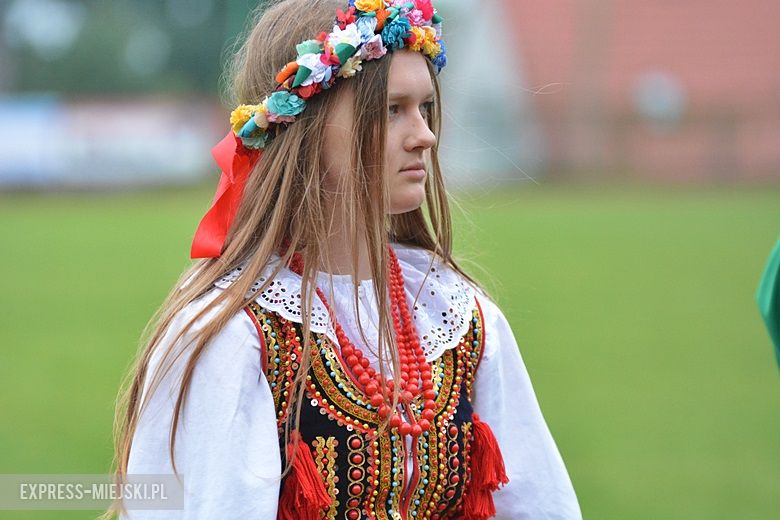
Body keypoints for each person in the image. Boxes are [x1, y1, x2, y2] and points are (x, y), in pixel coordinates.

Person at [108, 0, 582, 518]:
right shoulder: (236, 334)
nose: (424, 134)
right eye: (392, 109)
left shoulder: (457, 315)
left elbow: (540, 505)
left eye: (425, 107)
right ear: (306, 126)